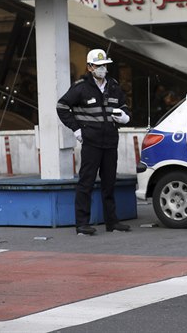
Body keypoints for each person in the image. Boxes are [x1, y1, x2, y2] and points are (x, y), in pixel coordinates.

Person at [56, 49, 132, 235]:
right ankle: (82, 224)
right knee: (86, 183)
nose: (102, 69)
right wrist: (76, 128)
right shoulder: (80, 87)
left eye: (104, 65)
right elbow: (62, 106)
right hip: (91, 142)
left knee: (109, 183)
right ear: (89, 67)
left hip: (110, 141)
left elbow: (124, 107)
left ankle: (112, 223)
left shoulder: (113, 86)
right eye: (98, 66)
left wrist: (124, 117)